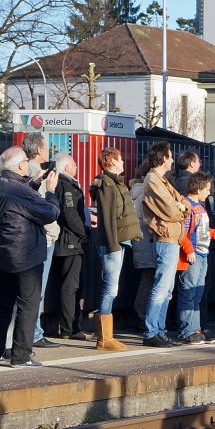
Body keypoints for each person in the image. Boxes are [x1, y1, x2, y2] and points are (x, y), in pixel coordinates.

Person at [0, 146, 60, 367]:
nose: (28, 164)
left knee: (4, 304)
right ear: (19, 166)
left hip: (5, 254)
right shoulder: (20, 191)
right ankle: (21, 355)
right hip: (27, 255)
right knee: (28, 304)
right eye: (26, 161)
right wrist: (51, 191)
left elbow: (19, 203)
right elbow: (49, 213)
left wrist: (35, 182)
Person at [89, 147, 141, 351]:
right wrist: (112, 244)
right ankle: (104, 338)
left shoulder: (113, 183)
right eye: (119, 159)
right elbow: (109, 218)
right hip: (113, 242)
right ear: (110, 162)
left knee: (111, 287)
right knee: (110, 288)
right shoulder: (108, 185)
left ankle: (106, 336)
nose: (123, 163)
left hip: (117, 241)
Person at [140, 142, 189, 347]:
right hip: (165, 238)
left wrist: (181, 207)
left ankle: (159, 330)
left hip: (172, 238)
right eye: (169, 157)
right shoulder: (153, 180)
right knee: (161, 288)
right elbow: (172, 210)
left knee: (167, 290)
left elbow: (183, 203)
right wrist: (181, 209)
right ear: (162, 158)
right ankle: (151, 332)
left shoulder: (164, 180)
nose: (172, 160)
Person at [175, 172, 215, 344]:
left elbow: (202, 231)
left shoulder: (199, 206)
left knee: (197, 293)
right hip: (192, 255)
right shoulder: (187, 205)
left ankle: (194, 328)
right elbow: (182, 232)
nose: (209, 192)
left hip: (201, 253)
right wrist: (189, 250)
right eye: (207, 189)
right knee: (189, 292)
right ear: (198, 188)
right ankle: (187, 330)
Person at [21, 132, 60, 349]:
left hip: (36, 238)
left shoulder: (27, 172)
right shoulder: (38, 174)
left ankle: (33, 332)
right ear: (38, 150)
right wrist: (53, 232)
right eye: (45, 146)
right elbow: (45, 208)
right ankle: (34, 333)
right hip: (43, 239)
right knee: (38, 289)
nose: (48, 150)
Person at [52, 155, 91, 340]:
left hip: (69, 241)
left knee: (72, 284)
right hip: (70, 242)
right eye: (74, 164)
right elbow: (70, 214)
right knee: (71, 286)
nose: (77, 167)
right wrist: (84, 232)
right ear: (67, 168)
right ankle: (69, 328)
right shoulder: (66, 186)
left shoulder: (65, 184)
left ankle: (72, 326)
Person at [128, 162, 156, 331]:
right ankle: (142, 315)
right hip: (148, 239)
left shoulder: (134, 190)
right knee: (148, 281)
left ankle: (141, 315)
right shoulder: (146, 190)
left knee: (147, 280)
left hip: (140, 240)